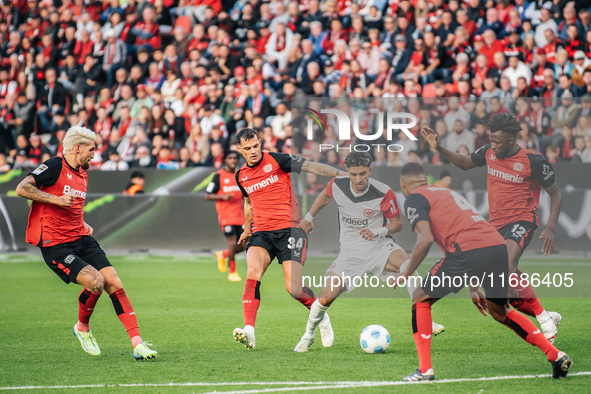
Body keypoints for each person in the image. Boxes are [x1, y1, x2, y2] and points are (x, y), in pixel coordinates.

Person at [397, 162, 572, 381]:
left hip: (467, 250)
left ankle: (424, 370)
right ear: (425, 178)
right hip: (496, 246)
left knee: (420, 298)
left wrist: (405, 274)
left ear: (403, 185)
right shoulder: (445, 192)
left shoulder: (414, 197)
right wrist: (473, 286)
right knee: (500, 311)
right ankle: (556, 355)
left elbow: (425, 239)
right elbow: (465, 231)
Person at [15, 126, 157, 360]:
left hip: (81, 237)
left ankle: (138, 344)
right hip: (57, 245)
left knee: (114, 282)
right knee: (96, 282)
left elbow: (72, 206)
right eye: (92, 149)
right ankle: (82, 328)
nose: (95, 153)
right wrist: (56, 199)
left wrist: (83, 221)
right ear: (77, 147)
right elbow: (22, 188)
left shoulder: (82, 172)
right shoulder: (54, 166)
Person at [421, 113, 562, 342]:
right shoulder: (489, 152)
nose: (493, 146)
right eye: (492, 141)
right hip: (494, 224)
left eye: (497, 142)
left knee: (507, 265)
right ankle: (545, 314)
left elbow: (555, 194)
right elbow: (465, 163)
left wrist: (552, 227)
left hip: (521, 220)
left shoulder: (533, 162)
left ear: (510, 140)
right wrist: (439, 147)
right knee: (502, 291)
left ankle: (545, 323)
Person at [293, 152, 444, 353]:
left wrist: (377, 231)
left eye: (363, 174)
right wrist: (309, 217)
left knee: (407, 264)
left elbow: (397, 224)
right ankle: (308, 335)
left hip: (380, 246)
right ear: (347, 172)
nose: (358, 179)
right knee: (325, 298)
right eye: (354, 174)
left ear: (370, 171)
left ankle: (425, 318)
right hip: (350, 253)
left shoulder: (383, 192)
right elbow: (325, 196)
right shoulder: (337, 185)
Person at [232, 128, 344, 350]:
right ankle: (249, 330)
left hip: (289, 231)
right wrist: (246, 230)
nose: (253, 151)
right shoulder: (241, 176)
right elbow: (248, 203)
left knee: (294, 290)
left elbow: (311, 166)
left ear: (260, 142)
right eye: (247, 149)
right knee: (252, 273)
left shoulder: (278, 160)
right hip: (261, 233)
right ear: (239, 150)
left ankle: (320, 315)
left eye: (255, 146)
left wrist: (340, 175)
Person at [205, 151, 246, 282]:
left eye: (235, 158)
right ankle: (232, 272)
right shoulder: (218, 176)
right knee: (232, 242)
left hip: (239, 215)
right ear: (225, 160)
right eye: (230, 158)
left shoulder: (240, 175)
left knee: (242, 246)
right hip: (226, 215)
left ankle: (222, 254)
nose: (233, 160)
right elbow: (208, 195)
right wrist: (222, 196)